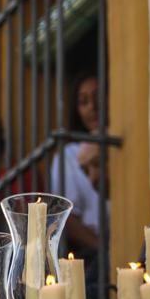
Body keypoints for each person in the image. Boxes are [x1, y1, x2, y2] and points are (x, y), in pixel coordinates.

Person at [49, 73, 103, 257]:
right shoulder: (68, 156)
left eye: (99, 97)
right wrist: (102, 248)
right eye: (83, 101)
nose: (92, 107)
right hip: (94, 253)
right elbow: (65, 216)